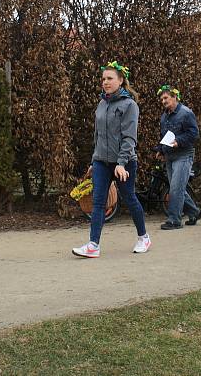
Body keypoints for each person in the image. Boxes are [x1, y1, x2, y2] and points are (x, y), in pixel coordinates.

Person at [73, 61, 150, 258]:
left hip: (124, 163)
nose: (105, 82)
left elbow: (129, 138)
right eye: (103, 79)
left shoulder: (129, 105)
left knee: (129, 198)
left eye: (110, 78)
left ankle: (144, 237)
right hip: (101, 161)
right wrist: (93, 161)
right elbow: (98, 136)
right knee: (98, 202)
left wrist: (122, 163)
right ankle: (93, 245)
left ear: (121, 80)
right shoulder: (102, 103)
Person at [156, 85, 201, 229]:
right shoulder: (164, 116)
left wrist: (179, 141)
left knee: (175, 189)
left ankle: (174, 220)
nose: (163, 101)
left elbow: (194, 133)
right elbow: (164, 136)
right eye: (161, 98)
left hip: (184, 155)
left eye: (166, 97)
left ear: (175, 97)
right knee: (177, 188)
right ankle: (195, 212)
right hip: (170, 156)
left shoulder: (185, 113)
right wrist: (161, 150)